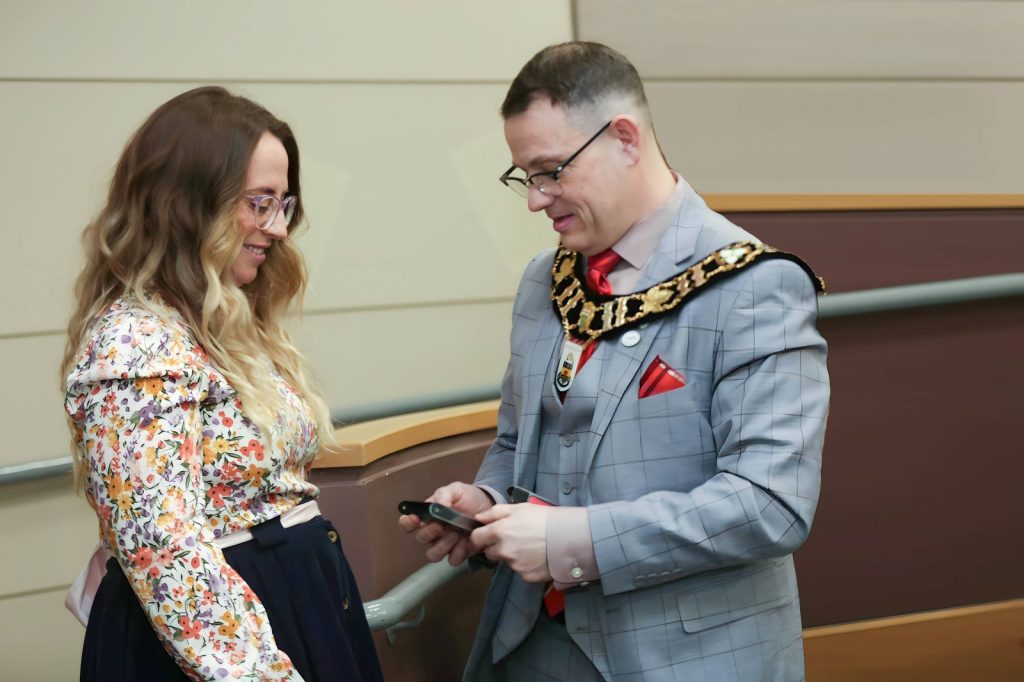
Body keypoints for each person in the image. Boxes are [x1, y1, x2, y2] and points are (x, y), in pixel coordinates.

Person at [401, 42, 830, 681]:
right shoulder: (540, 284)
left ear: (625, 138)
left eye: (551, 171)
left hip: (686, 656)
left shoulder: (753, 285)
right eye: (525, 176)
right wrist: (485, 498)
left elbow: (770, 505)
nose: (535, 199)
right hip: (533, 645)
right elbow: (522, 440)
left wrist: (569, 543)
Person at [62, 87, 383, 681]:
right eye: (259, 203)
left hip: (291, 609)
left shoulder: (223, 322)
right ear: (187, 204)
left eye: (284, 205)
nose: (278, 228)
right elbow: (165, 551)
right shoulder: (133, 343)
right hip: (226, 648)